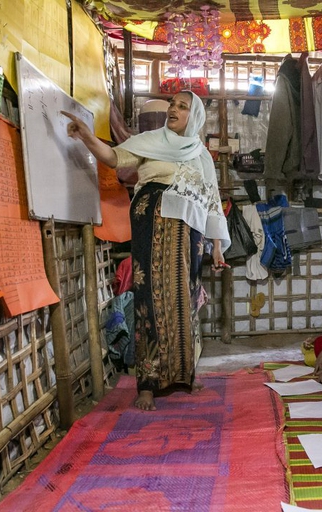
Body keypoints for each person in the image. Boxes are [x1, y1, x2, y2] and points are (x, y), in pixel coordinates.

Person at [63, 91, 230, 411]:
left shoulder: (202, 155)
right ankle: (148, 385)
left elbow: (211, 201)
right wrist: (86, 137)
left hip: (188, 233)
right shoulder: (152, 140)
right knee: (150, 298)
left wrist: (218, 246)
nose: (174, 110)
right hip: (152, 221)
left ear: (194, 115)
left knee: (185, 299)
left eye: (182, 107)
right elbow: (113, 158)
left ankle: (183, 374)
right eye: (172, 104)